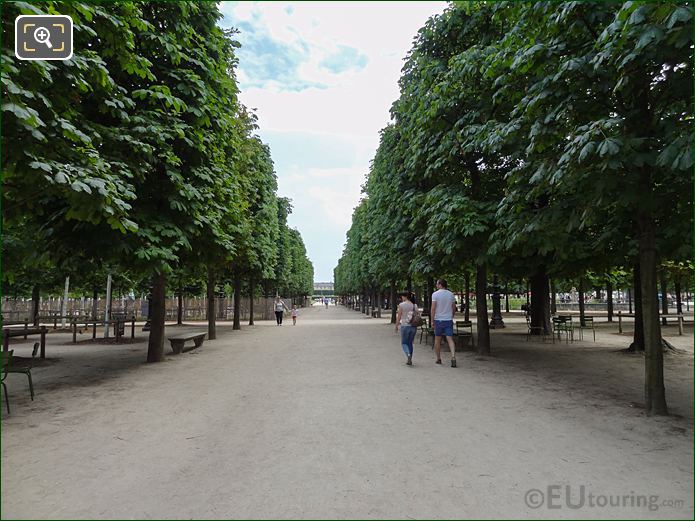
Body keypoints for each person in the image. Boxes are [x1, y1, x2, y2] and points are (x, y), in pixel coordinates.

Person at [431, 279, 457, 367]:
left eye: (437, 284)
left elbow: (433, 308)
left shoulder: (435, 294)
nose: (436, 285)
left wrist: (432, 320)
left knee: (437, 340)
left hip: (439, 320)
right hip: (448, 320)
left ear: (440, 284)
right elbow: (454, 308)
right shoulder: (451, 294)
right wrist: (451, 316)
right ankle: (453, 356)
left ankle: (438, 358)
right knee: (450, 339)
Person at [395, 292, 418, 365]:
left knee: (404, 343)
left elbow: (399, 316)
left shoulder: (401, 305)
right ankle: (410, 358)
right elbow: (417, 315)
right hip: (413, 326)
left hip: (405, 325)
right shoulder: (414, 305)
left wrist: (396, 325)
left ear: (405, 297)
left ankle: (408, 354)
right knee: (410, 343)